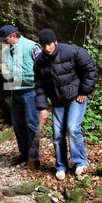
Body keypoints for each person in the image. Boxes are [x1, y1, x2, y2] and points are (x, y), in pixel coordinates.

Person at [34, 29, 98, 180]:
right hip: (57, 101)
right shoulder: (40, 61)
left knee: (73, 128)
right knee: (58, 135)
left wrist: (84, 91)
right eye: (44, 46)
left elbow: (90, 69)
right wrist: (43, 107)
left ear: (55, 42)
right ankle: (61, 166)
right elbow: (39, 85)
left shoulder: (73, 52)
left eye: (49, 44)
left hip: (76, 97)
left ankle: (80, 163)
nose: (47, 48)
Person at [0, 25, 42, 170]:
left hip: (31, 91)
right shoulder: (6, 49)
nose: (3, 43)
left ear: (12, 36)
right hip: (15, 90)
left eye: (5, 39)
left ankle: (34, 159)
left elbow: (43, 68)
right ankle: (24, 153)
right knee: (18, 125)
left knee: (32, 125)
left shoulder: (31, 47)